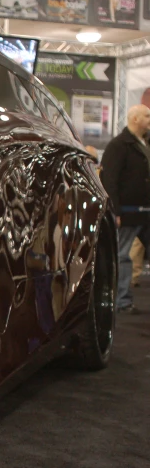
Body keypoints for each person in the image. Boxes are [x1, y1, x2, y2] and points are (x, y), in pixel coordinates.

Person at [100, 104, 150, 314]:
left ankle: (122, 298)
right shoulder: (118, 145)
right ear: (135, 119)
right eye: (147, 116)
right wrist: (116, 211)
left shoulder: (144, 144)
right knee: (123, 256)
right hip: (128, 212)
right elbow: (109, 180)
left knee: (124, 255)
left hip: (146, 212)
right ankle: (121, 300)